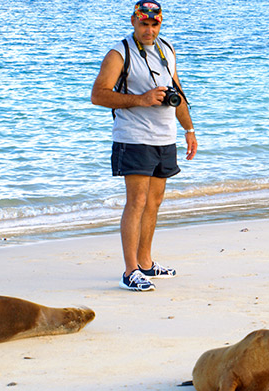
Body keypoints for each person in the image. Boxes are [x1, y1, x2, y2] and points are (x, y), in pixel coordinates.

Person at [91, 0, 197, 291]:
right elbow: (98, 95)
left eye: (155, 24)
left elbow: (177, 90)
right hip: (133, 137)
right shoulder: (119, 53)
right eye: (143, 24)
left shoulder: (167, 49)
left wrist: (188, 128)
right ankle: (130, 270)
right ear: (133, 22)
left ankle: (147, 264)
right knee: (136, 202)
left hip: (165, 137)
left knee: (154, 202)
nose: (149, 30)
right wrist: (141, 99)